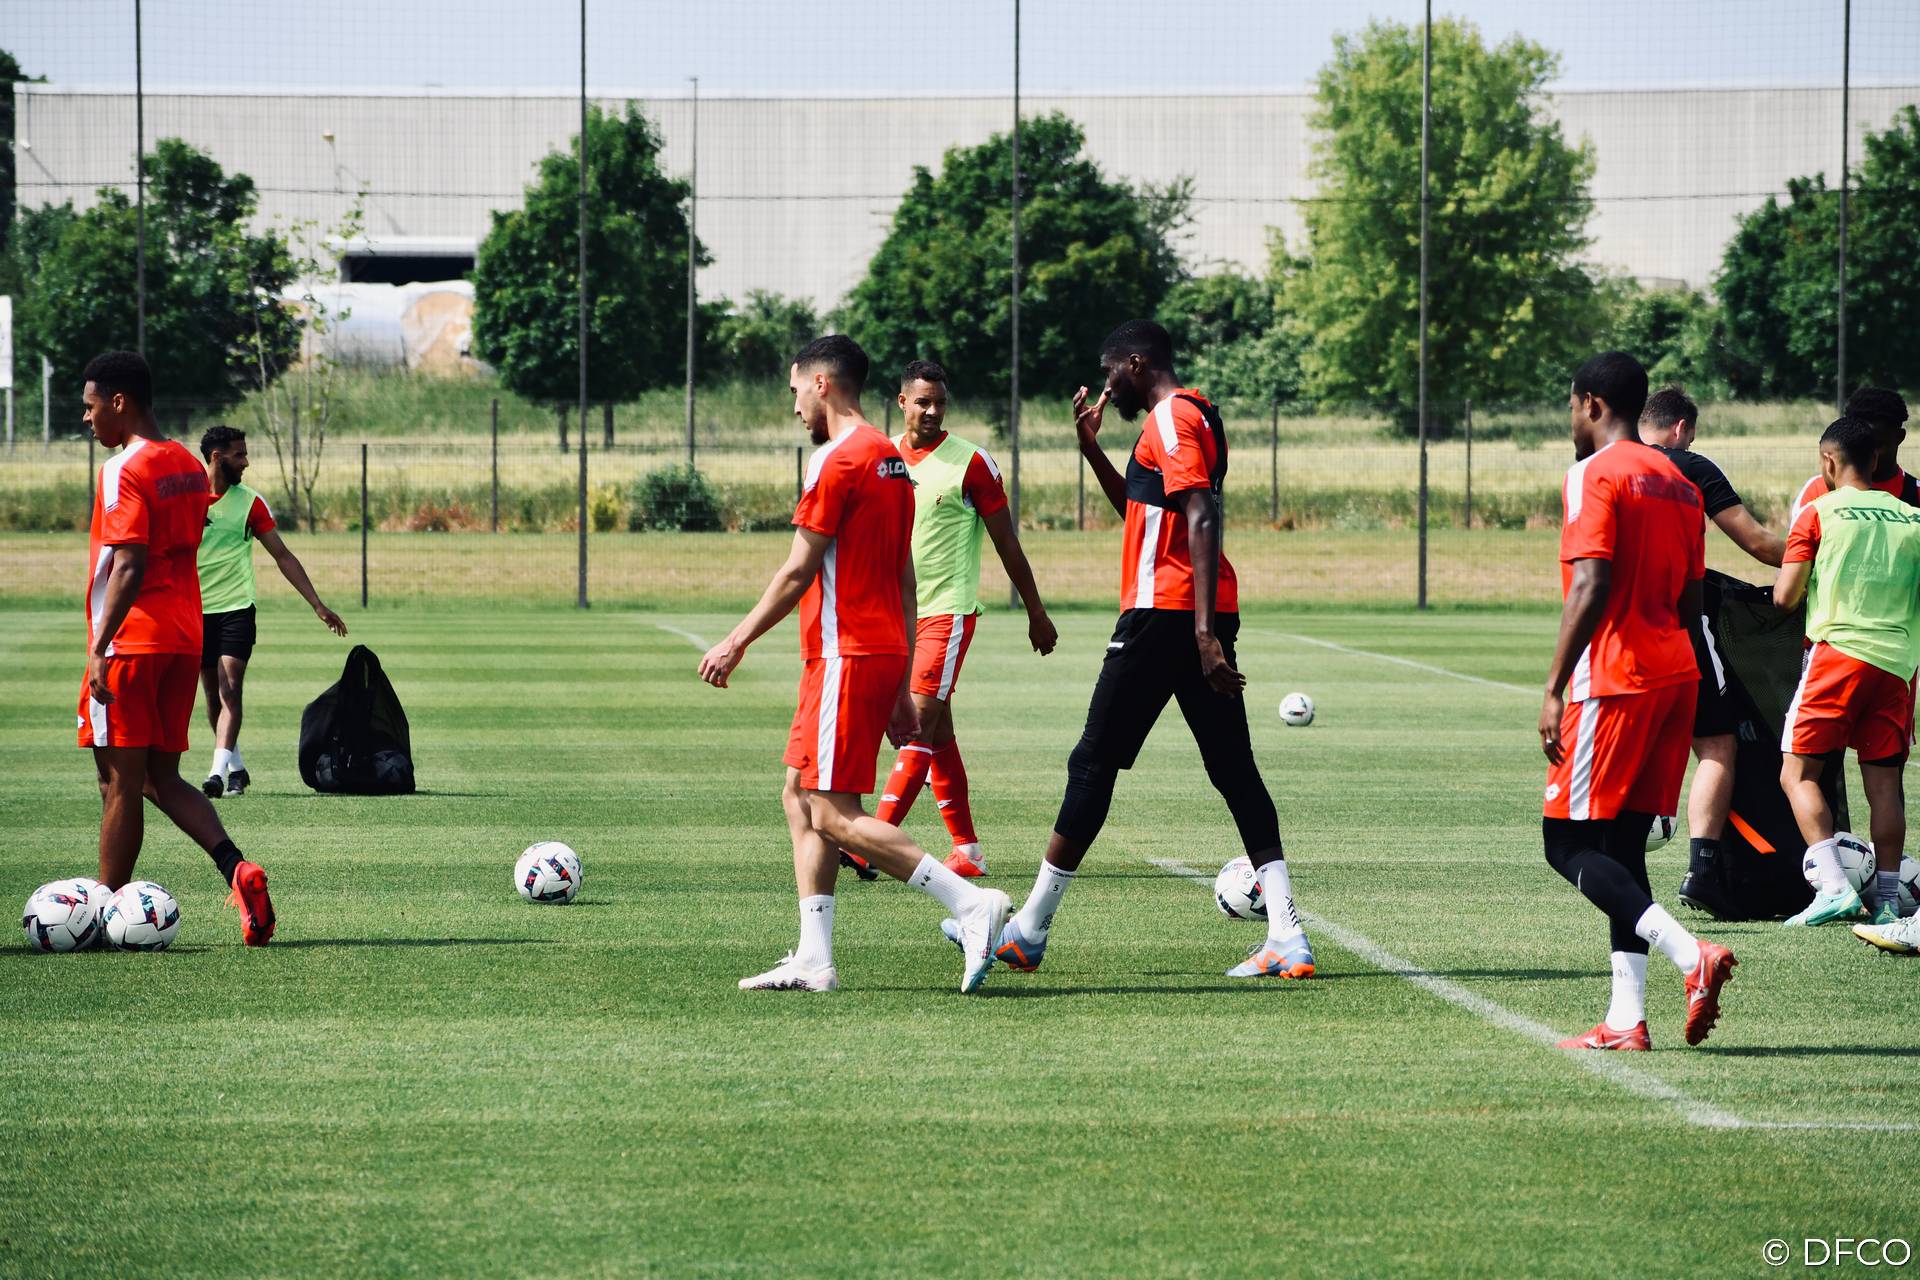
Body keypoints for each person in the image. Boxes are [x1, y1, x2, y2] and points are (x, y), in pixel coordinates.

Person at [953, 319, 1313, 981]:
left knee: (1092, 762)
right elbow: (1150, 513)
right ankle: (1288, 935)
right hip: (1188, 612)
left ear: (1138, 364)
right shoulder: (1190, 415)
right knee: (1233, 770)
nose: (1107, 384)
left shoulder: (1171, 417)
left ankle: (1029, 931)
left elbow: (1200, 513)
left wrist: (1202, 635)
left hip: (1165, 616)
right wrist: (1092, 451)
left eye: (1111, 371)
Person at [698, 335, 1011, 994]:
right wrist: (899, 683)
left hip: (845, 653)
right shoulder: (892, 462)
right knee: (798, 794)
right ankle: (814, 958)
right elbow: (905, 579)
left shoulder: (837, 459)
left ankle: (971, 904)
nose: (794, 407)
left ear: (821, 384)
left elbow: (797, 570)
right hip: (868, 652)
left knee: (835, 814)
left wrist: (735, 641)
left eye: (795, 391)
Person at [1539, 352, 1735, 1051]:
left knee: (1564, 843)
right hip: (1675, 673)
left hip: (1616, 677)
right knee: (1623, 846)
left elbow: (1591, 583)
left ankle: (1690, 955)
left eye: (1572, 407)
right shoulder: (1680, 481)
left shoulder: (1592, 473)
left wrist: (1555, 687)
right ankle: (1626, 1019)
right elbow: (1690, 596)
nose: (1572, 420)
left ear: (1591, 404)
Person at [76, 352, 276, 945]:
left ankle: (104, 913)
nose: (86, 418)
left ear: (119, 402)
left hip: (132, 642)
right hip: (184, 638)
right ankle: (237, 868)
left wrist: (99, 647)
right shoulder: (188, 465)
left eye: (91, 406)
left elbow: (130, 563)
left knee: (118, 782)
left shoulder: (124, 467)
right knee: (159, 778)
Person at [867, 359, 1056, 879]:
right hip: (895, 614)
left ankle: (870, 843)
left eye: (940, 403)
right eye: (922, 402)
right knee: (938, 730)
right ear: (902, 402)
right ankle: (967, 851)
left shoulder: (971, 462)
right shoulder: (882, 458)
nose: (932, 411)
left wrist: (1036, 611)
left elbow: (1007, 542)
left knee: (917, 722)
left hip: (946, 613)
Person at [1635, 388, 1786, 914]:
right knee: (1717, 744)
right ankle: (1702, 871)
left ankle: (1609, 859)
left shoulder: (1607, 466)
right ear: (1681, 428)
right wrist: (1817, 555)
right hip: (1680, 623)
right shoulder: (1691, 466)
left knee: (1633, 742)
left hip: (1619, 632)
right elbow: (1758, 543)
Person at [1772, 416, 1920, 930]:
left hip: (1837, 656)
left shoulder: (1818, 512)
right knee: (1884, 785)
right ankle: (1888, 900)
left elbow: (1785, 596)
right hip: (1897, 665)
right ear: (1876, 459)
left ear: (1828, 462)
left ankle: (1834, 888)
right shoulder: (1912, 517)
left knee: (1797, 774)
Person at [196, 425, 348, 798]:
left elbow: (282, 555)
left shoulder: (250, 503)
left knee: (231, 689)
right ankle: (237, 768)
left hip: (236, 608)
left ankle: (216, 774)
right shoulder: (186, 499)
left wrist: (317, 604)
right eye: (239, 455)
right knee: (213, 697)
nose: (246, 462)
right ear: (216, 457)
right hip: (195, 612)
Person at [1789, 387, 1915, 522]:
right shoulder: (1817, 490)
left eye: (1878, 445)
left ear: (1899, 437)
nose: (1870, 453)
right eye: (1862, 445)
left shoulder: (1916, 494)